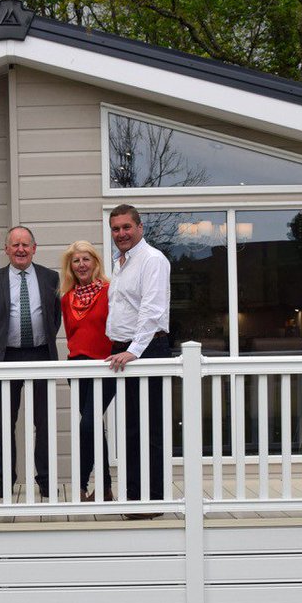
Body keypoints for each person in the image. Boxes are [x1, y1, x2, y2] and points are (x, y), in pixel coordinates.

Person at [0, 226, 62, 500]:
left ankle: (46, 480)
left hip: (41, 355)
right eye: (15, 245)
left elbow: (55, 318)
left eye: (25, 245)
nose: (20, 249)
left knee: (44, 422)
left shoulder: (51, 278)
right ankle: (5, 480)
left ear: (34, 248)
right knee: (6, 423)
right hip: (5, 358)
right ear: (6, 249)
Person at [104, 205, 171, 517]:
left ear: (140, 227)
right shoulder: (121, 263)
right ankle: (134, 499)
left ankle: (153, 501)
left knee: (149, 428)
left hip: (147, 349)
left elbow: (152, 310)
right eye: (116, 229)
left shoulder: (152, 260)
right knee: (131, 428)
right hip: (124, 350)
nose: (121, 234)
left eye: (126, 227)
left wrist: (135, 349)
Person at [59, 240, 114, 503]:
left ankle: (82, 485)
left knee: (88, 423)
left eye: (86, 259)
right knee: (93, 426)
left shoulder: (110, 291)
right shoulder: (66, 297)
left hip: (105, 365)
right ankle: (103, 488)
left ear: (95, 262)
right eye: (76, 261)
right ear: (70, 266)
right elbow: (71, 333)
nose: (81, 265)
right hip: (76, 366)